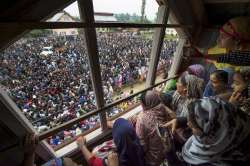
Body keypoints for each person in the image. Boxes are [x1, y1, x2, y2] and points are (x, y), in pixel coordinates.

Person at [182, 98, 250, 166]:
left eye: (194, 127)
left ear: (218, 134)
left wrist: (171, 153)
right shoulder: (238, 126)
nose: (188, 124)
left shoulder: (209, 161)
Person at [77, 118, 145, 166]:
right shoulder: (141, 145)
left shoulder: (115, 160)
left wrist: (82, 146)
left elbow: (93, 162)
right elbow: (126, 132)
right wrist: (114, 125)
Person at [135, 90, 173, 166]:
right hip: (168, 151)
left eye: (142, 103)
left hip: (154, 160)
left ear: (145, 104)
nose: (141, 105)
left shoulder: (142, 119)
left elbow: (142, 145)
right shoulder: (163, 107)